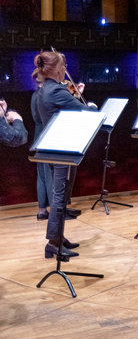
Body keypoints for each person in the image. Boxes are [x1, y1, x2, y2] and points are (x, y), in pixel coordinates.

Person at [32, 50, 96, 260]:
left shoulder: (44, 90)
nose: (65, 71)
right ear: (57, 69)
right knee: (59, 197)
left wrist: (73, 97)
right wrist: (92, 107)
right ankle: (53, 243)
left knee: (61, 194)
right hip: (62, 149)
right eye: (63, 68)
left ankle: (59, 238)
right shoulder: (58, 91)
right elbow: (85, 112)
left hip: (53, 147)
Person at [30, 79, 53, 221]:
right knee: (50, 175)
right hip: (48, 134)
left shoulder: (35, 94)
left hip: (38, 136)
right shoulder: (46, 95)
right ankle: (57, 210)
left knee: (42, 176)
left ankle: (42, 210)